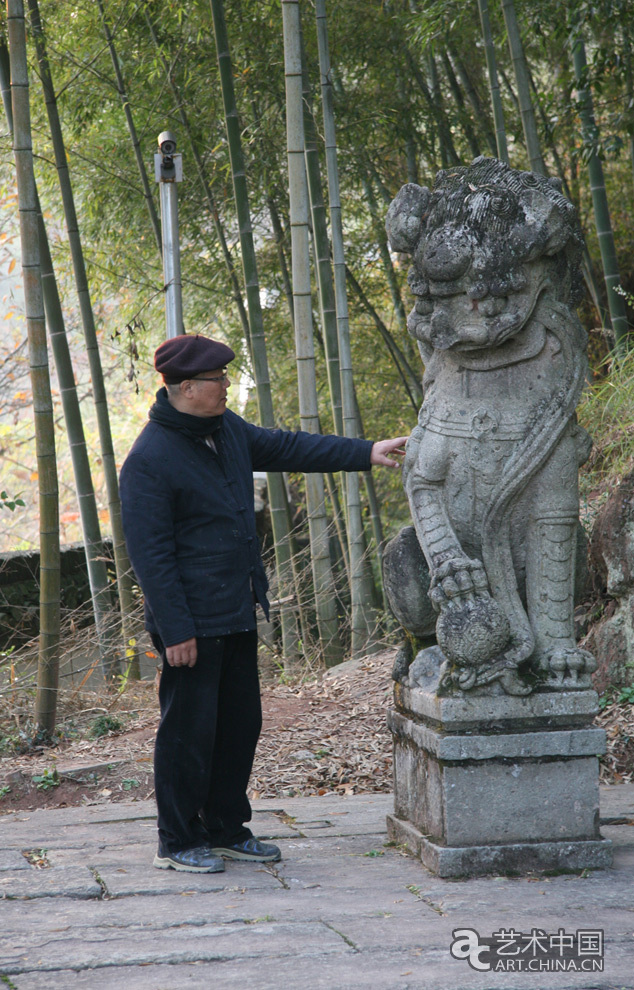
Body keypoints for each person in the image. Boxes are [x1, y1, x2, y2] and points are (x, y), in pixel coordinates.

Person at [119, 334, 407, 873]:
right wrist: (175, 629)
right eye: (217, 380)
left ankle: (226, 828)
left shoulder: (225, 430)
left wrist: (366, 452)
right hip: (191, 624)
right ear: (185, 388)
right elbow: (150, 556)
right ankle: (178, 840)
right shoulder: (149, 459)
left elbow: (288, 446)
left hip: (236, 607)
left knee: (238, 725)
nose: (227, 385)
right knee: (188, 732)